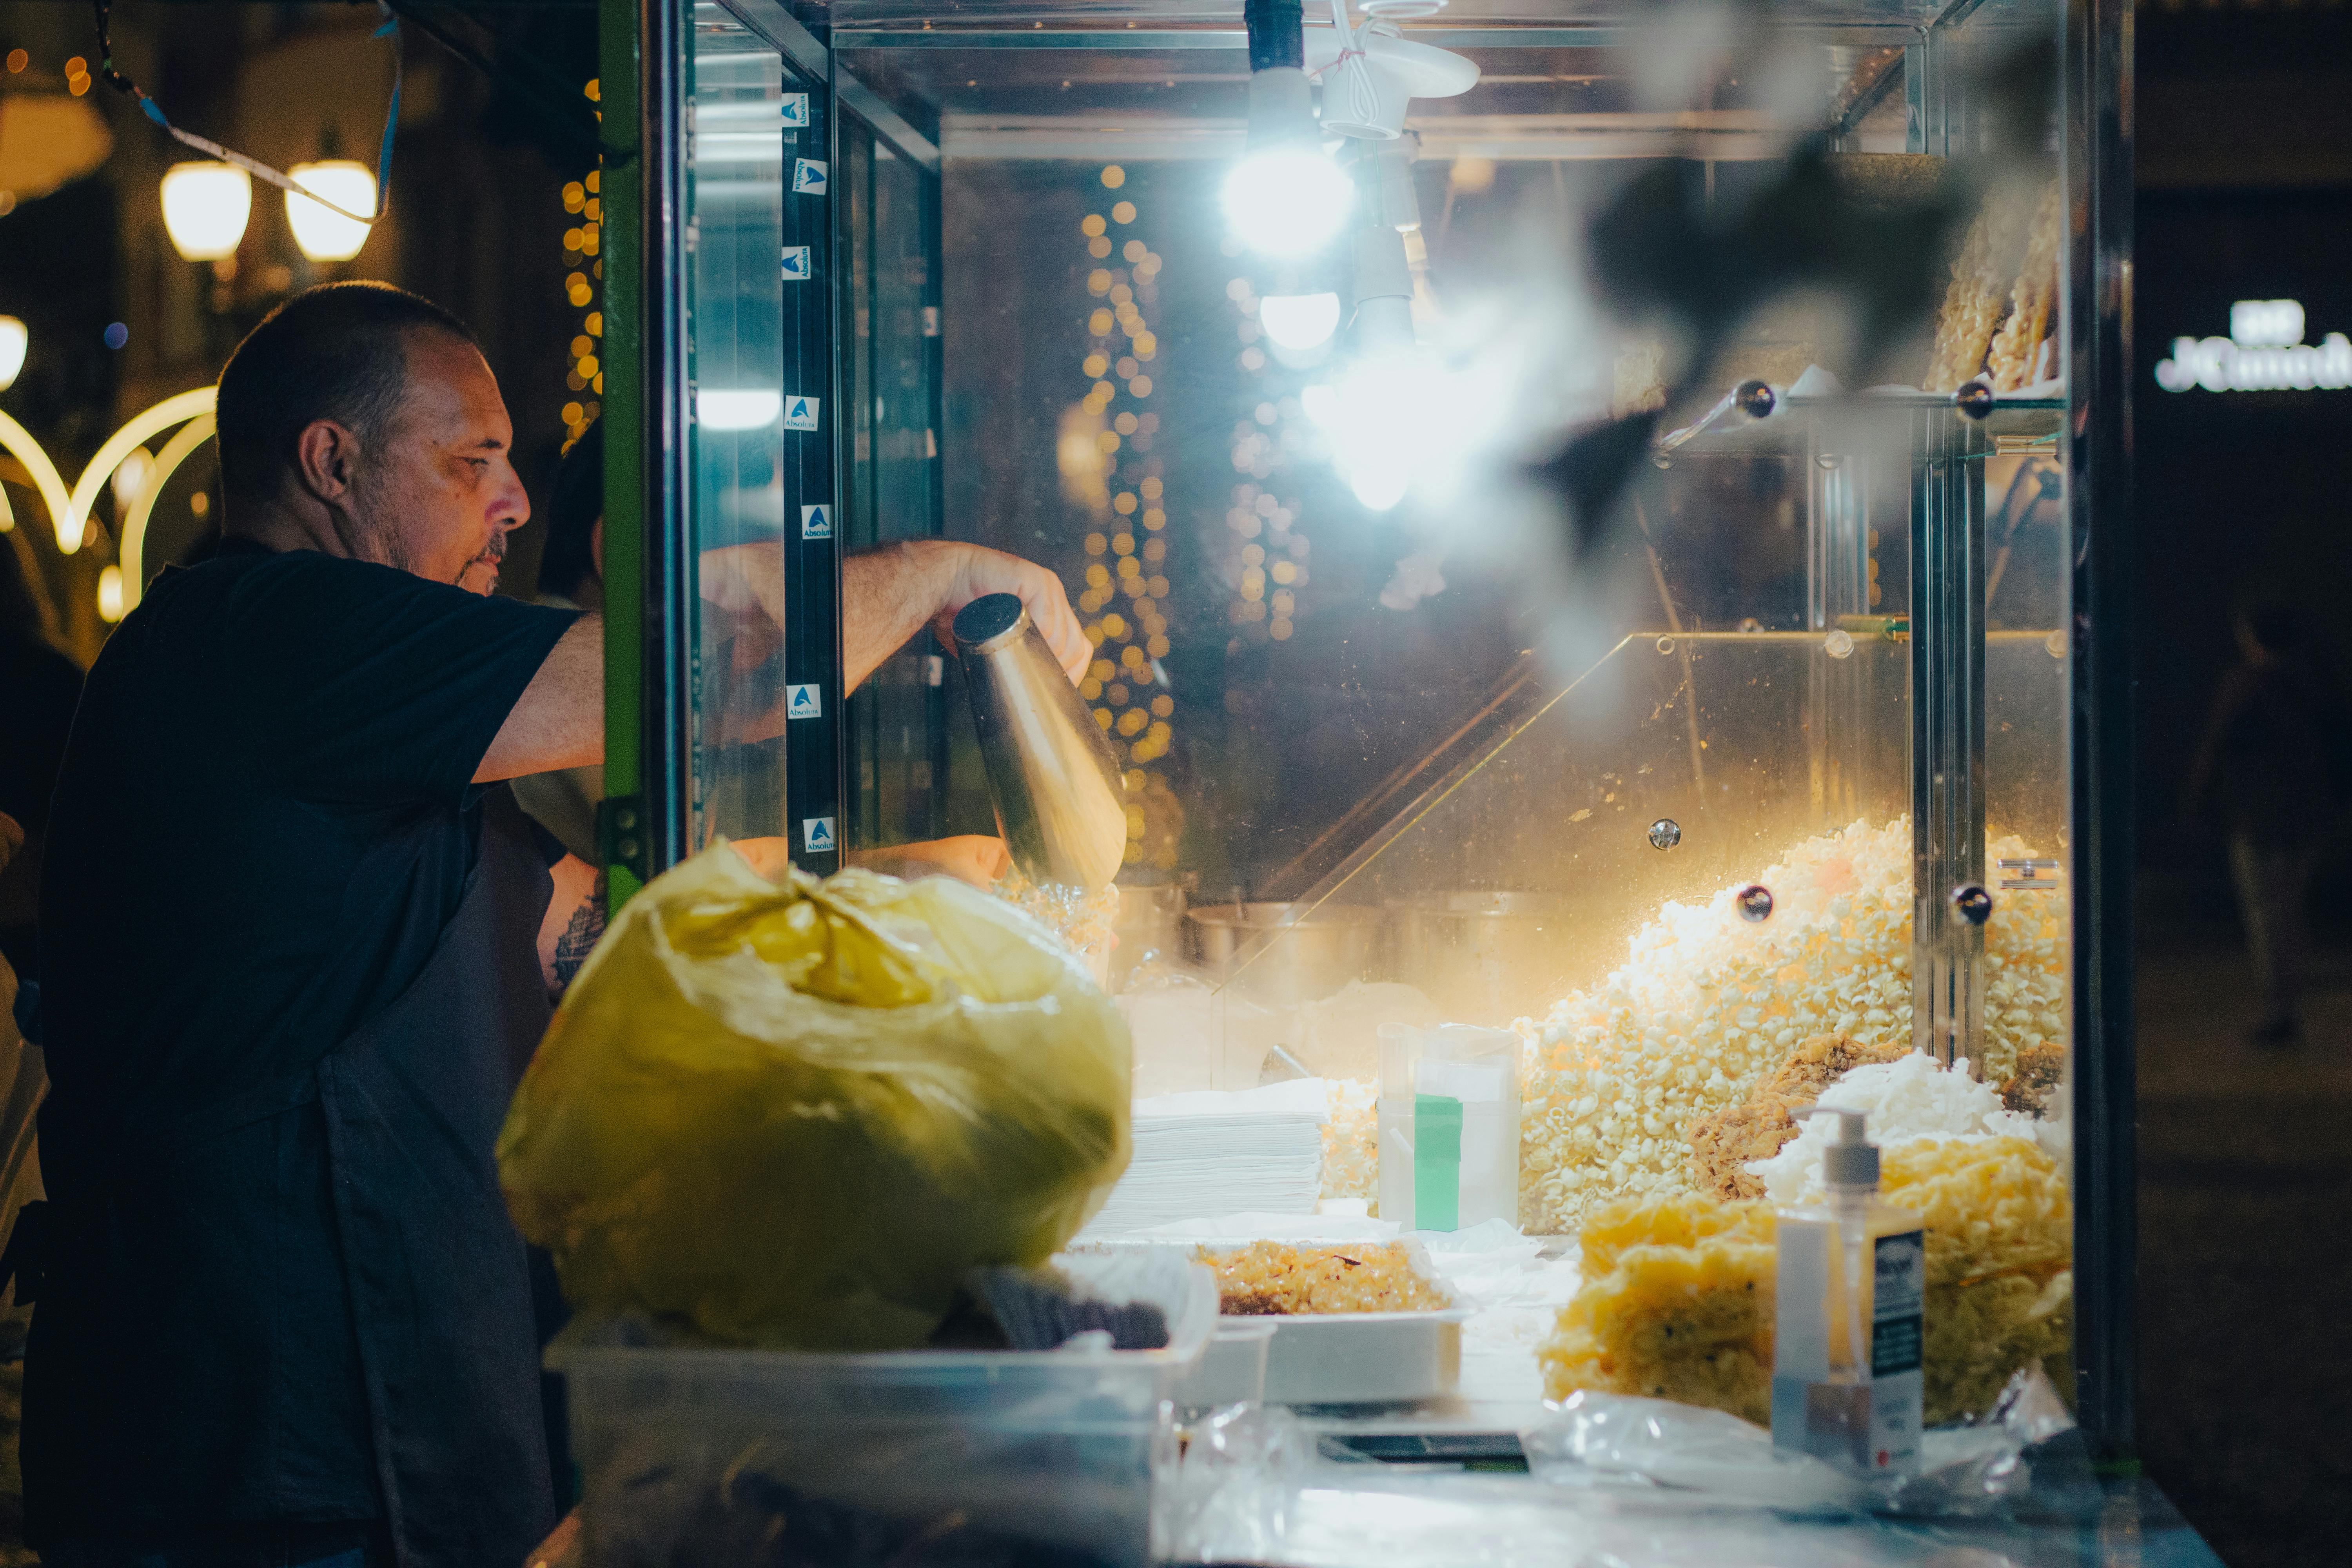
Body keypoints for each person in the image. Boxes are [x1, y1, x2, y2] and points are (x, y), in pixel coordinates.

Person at [24, 281, 1087, 1568]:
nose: (516, 501)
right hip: (258, 1462)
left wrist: (941, 929)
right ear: (330, 461)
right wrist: (943, 577)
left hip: (369, 1438)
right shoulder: (262, 636)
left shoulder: (356, 714)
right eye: (472, 461)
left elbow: (593, 932)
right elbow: (683, 678)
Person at [2182, 596, 2345, 1048]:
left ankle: (2281, 1011)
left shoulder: (2244, 684)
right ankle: (2289, 1002)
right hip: (2308, 814)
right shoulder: (2315, 683)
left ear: (2251, 635)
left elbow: (2215, 749)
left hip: (2259, 817)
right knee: (2290, 910)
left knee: (2266, 915)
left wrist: (2196, 804)